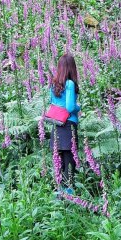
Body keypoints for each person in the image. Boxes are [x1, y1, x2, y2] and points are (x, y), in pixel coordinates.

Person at [49, 53, 81, 193]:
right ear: (71, 68)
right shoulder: (70, 84)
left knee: (59, 166)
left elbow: (53, 104)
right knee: (69, 167)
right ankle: (70, 199)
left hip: (56, 127)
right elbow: (70, 107)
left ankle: (58, 197)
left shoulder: (54, 84)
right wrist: (78, 107)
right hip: (68, 128)